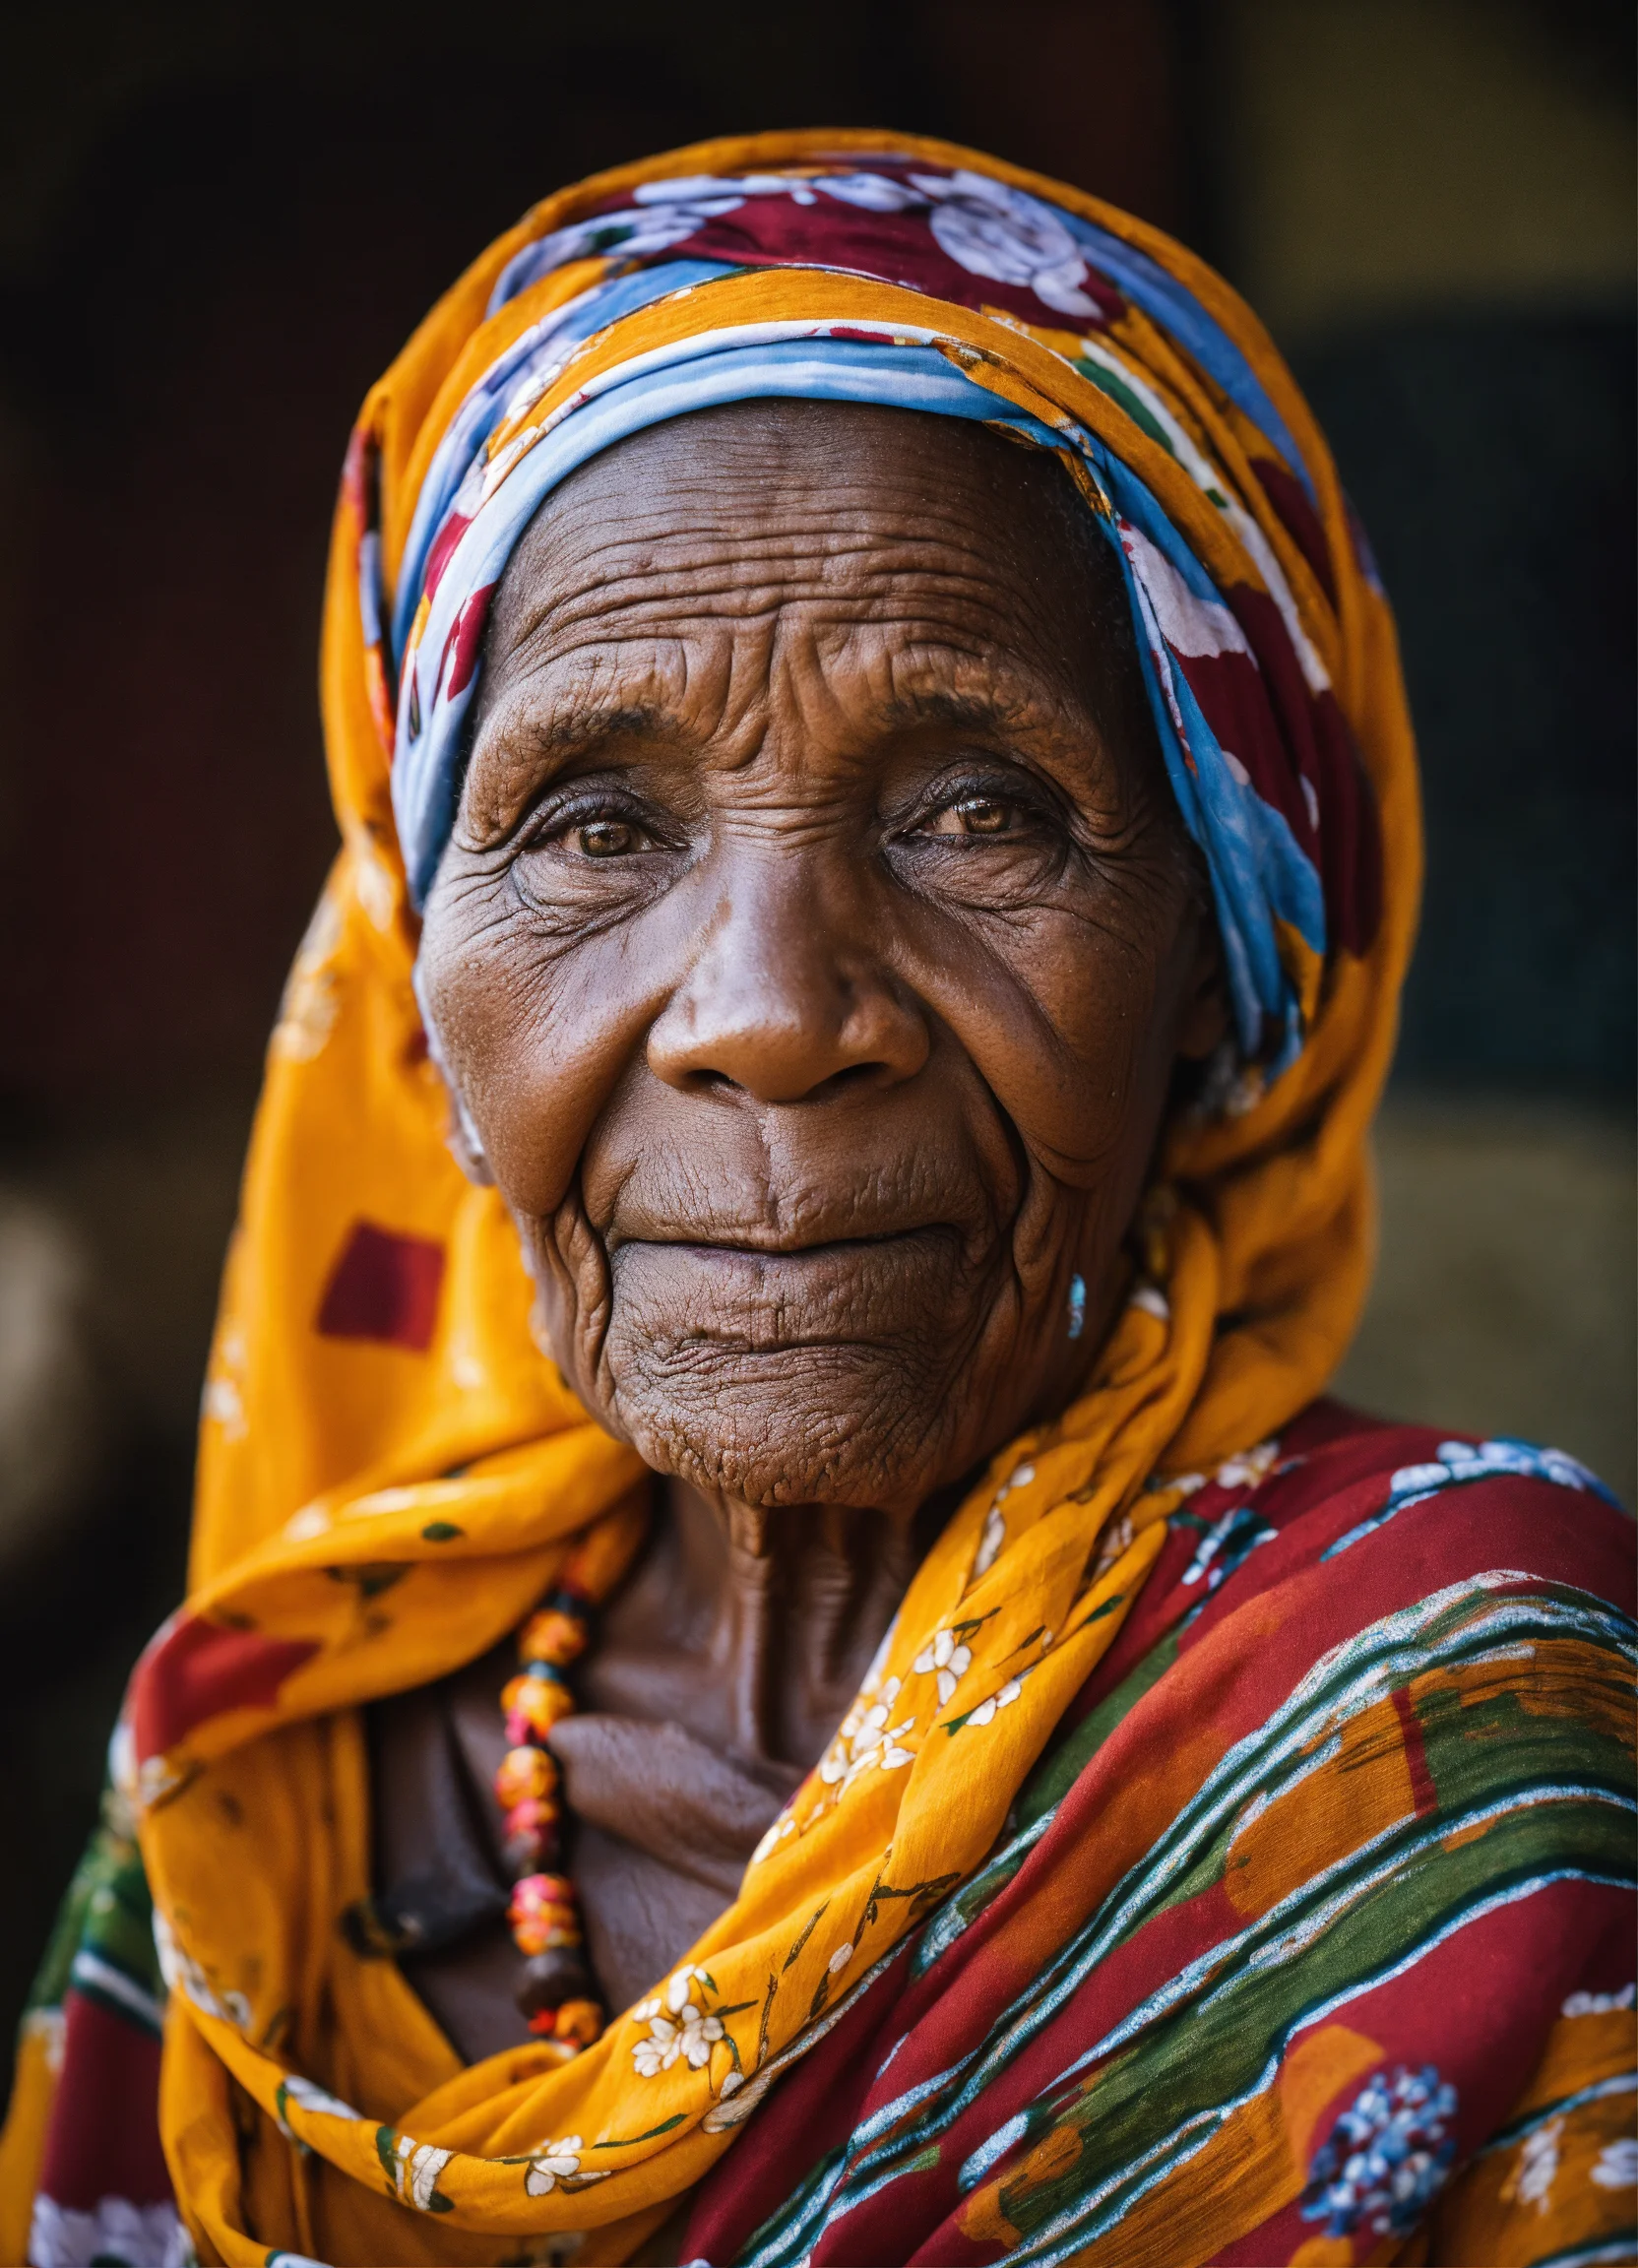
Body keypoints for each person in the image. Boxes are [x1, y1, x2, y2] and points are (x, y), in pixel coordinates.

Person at [3, 131, 1632, 2268]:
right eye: (593, 826)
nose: (771, 1014)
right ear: (428, 1019)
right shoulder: (260, 1772)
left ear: (1224, 984)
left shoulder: (1453, 1714)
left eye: (979, 811)